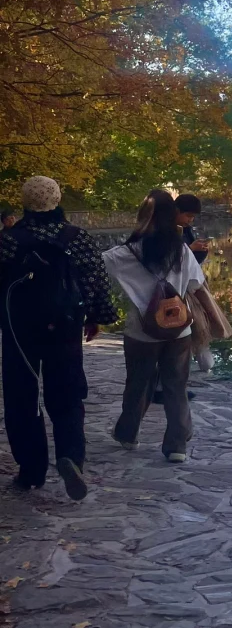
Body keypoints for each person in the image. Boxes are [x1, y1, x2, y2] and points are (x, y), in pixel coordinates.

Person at [0, 176, 117, 499]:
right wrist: (97, 318)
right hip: (64, 327)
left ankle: (31, 471)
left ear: (25, 202)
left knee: (21, 399)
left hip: (19, 330)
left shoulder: (9, 240)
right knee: (67, 395)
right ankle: (70, 456)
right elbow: (95, 280)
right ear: (57, 198)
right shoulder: (77, 238)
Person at [103, 190, 205, 462]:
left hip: (141, 331)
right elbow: (196, 284)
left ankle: (128, 434)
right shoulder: (182, 249)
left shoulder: (125, 253)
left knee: (138, 382)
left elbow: (99, 268)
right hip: (178, 329)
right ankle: (176, 446)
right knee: (176, 385)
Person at [174, 193, 210, 265]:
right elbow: (169, 258)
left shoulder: (187, 230)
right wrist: (191, 248)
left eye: (193, 217)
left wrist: (201, 250)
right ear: (176, 211)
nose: (190, 220)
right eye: (188, 216)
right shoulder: (164, 231)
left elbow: (194, 261)